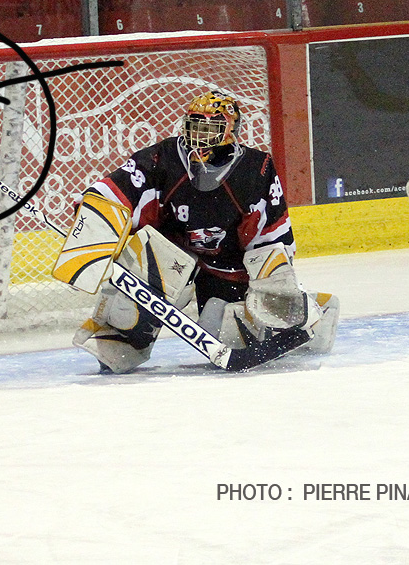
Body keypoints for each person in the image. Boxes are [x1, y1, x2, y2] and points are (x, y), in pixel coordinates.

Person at [53, 89, 338, 373]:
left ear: (230, 130)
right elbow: (112, 193)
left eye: (210, 127)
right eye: (194, 125)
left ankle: (311, 313)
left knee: (227, 329)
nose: (200, 134)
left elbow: (272, 242)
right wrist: (93, 229)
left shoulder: (255, 170)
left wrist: (277, 293)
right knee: (141, 272)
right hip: (170, 258)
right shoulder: (162, 158)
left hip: (227, 267)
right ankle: (123, 341)